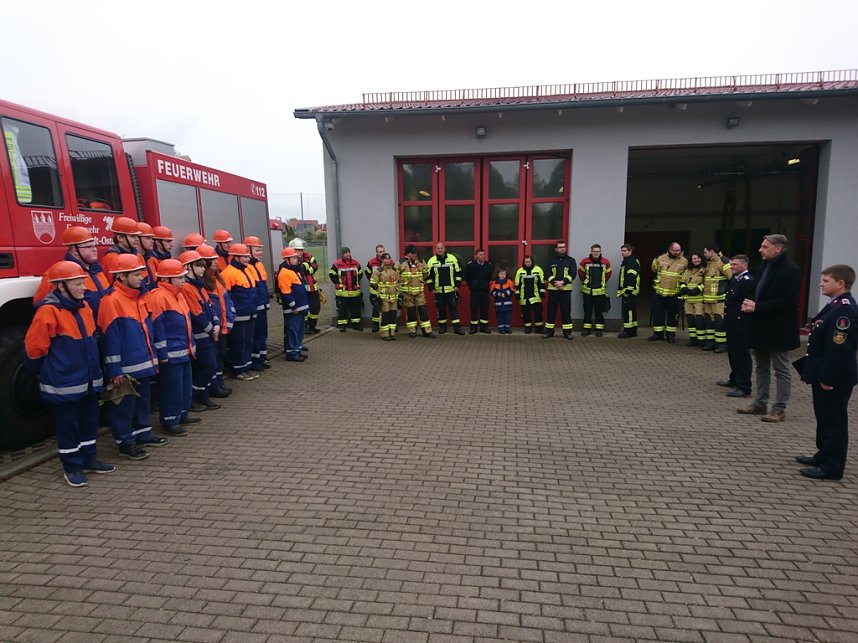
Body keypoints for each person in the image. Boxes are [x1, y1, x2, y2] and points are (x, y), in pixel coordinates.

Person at [24, 261, 111, 487]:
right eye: (78, 283)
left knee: (89, 420)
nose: (84, 287)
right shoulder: (48, 312)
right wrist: (52, 373)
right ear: (61, 286)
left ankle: (89, 458)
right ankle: (72, 466)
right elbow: (34, 351)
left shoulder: (83, 308)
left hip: (88, 380)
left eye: (83, 282)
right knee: (68, 425)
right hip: (65, 383)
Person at [98, 254, 166, 460]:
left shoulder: (140, 297)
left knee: (143, 403)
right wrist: (115, 370)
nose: (141, 278)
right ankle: (125, 443)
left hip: (144, 362)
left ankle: (143, 434)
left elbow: (149, 331)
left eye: (141, 274)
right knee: (124, 407)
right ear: (121, 276)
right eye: (136, 274)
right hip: (126, 368)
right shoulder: (111, 302)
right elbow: (111, 339)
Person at [796, 264, 858, 480]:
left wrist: (828, 378)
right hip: (823, 372)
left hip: (833, 377)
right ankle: (823, 454)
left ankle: (832, 467)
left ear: (840, 283)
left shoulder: (844, 310)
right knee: (824, 417)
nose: (821, 284)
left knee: (834, 421)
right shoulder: (834, 306)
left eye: (826, 280)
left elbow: (839, 349)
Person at [738, 234, 801, 423]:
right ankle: (760, 403)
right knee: (761, 367)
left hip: (779, 327)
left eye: (765, 247)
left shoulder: (790, 270)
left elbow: (788, 301)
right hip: (760, 324)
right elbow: (758, 290)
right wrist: (751, 302)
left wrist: (758, 307)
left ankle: (779, 408)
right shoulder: (766, 266)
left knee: (781, 368)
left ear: (778, 249)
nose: (760, 250)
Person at [146, 259, 200, 436]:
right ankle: (170, 421)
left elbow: (186, 323)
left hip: (183, 350)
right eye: (180, 277)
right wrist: (162, 354)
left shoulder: (178, 294)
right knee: (171, 389)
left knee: (184, 386)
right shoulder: (158, 297)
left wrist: (191, 345)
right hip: (170, 354)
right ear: (167, 279)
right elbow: (158, 328)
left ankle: (181, 415)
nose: (184, 280)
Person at [33, 226, 111, 319]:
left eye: (94, 246)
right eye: (89, 246)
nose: (95, 249)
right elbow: (42, 306)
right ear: (75, 250)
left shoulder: (97, 271)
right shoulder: (57, 274)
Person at [179, 250, 222, 412]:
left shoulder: (198, 285)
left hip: (208, 334)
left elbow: (209, 306)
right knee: (208, 366)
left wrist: (216, 323)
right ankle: (196, 398)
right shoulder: (188, 288)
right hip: (200, 336)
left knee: (209, 366)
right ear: (188, 267)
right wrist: (212, 329)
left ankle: (203, 397)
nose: (204, 269)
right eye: (199, 266)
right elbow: (196, 313)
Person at [196, 244, 233, 398]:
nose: (217, 262)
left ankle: (218, 384)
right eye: (212, 260)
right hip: (213, 330)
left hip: (221, 327)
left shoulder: (216, 279)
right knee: (213, 360)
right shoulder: (204, 283)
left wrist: (227, 322)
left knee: (219, 358)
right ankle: (214, 387)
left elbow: (225, 303)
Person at [718, 254, 755, 398]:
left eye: (735, 265)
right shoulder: (735, 279)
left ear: (744, 265)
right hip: (732, 322)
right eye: (731, 264)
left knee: (741, 355)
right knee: (733, 353)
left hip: (741, 323)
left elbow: (747, 303)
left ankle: (744, 386)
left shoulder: (748, 281)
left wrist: (740, 321)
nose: (732, 267)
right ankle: (734, 378)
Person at [221, 243, 259, 381]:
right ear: (235, 257)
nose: (247, 259)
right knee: (238, 343)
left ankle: (247, 367)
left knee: (248, 341)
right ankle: (239, 369)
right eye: (244, 257)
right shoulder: (227, 273)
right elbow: (227, 297)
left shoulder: (247, 270)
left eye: (248, 256)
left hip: (249, 313)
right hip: (239, 316)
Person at [648, 242, 687, 343]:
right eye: (675, 250)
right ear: (669, 249)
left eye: (678, 250)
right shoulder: (660, 258)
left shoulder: (684, 261)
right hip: (659, 291)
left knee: (673, 315)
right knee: (658, 313)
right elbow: (653, 269)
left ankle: (670, 335)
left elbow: (686, 276)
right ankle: (658, 334)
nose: (677, 252)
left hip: (675, 293)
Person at [277, 247, 310, 361]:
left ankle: (297, 350)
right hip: (293, 309)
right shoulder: (284, 273)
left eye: (296, 257)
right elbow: (286, 292)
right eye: (294, 258)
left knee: (300, 330)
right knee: (293, 331)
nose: (297, 259)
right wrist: (293, 306)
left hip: (300, 307)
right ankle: (292, 353)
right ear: (287, 259)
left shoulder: (295, 270)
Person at [244, 236, 271, 372]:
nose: (260, 253)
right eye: (257, 250)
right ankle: (255, 361)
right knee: (255, 334)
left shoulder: (259, 265)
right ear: (248, 250)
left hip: (262, 305)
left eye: (260, 250)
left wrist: (266, 302)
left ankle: (262, 357)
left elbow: (263, 286)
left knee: (262, 332)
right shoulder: (247, 267)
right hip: (255, 306)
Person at [397, 245, 436, 338]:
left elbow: (426, 274)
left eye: (415, 253)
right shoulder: (400, 263)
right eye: (412, 253)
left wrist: (419, 265)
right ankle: (412, 331)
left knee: (423, 312)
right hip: (407, 293)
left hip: (419, 293)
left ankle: (427, 331)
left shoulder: (421, 261)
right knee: (410, 313)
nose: (414, 255)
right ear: (407, 254)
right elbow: (394, 276)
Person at [426, 242, 464, 335]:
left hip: (451, 290)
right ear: (436, 250)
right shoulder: (431, 261)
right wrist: (431, 288)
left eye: (441, 248)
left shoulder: (452, 258)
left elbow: (458, 272)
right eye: (438, 248)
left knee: (453, 309)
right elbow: (428, 276)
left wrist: (457, 285)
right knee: (441, 309)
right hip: (438, 291)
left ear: (445, 249)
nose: (440, 250)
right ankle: (443, 327)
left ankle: (457, 328)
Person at [701, 244, 732, 352]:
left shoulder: (723, 262)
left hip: (719, 299)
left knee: (720, 323)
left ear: (712, 251)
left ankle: (721, 344)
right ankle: (711, 342)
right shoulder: (708, 263)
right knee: (709, 322)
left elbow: (731, 278)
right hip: (708, 299)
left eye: (705, 252)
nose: (704, 254)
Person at [543, 240, 576, 340]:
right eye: (560, 247)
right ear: (556, 249)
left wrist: (563, 282)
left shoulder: (571, 260)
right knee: (551, 311)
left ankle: (567, 332)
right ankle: (549, 331)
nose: (562, 249)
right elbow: (547, 274)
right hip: (553, 290)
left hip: (565, 290)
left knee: (566, 311)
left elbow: (573, 274)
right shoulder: (550, 260)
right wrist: (555, 283)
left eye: (564, 247)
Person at [578, 243, 612, 337]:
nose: (596, 253)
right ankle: (587, 329)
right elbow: (581, 274)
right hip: (587, 291)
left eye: (598, 251)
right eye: (594, 251)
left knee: (599, 311)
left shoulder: (606, 262)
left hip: (600, 291)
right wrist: (586, 282)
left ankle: (599, 329)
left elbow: (608, 275)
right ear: (591, 251)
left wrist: (602, 283)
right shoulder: (585, 261)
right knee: (587, 310)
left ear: (600, 252)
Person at [289, 238, 322, 333]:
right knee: (303, 310)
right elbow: (297, 269)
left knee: (315, 308)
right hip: (301, 289)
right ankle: (304, 327)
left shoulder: (308, 256)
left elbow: (315, 266)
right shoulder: (290, 258)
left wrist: (305, 269)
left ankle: (312, 326)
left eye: (301, 250)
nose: (300, 252)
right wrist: (306, 266)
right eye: (297, 249)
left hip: (312, 288)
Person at [329, 246, 364, 331]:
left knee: (356, 309)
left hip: (355, 292)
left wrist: (356, 282)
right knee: (342, 310)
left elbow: (360, 273)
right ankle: (342, 325)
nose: (348, 254)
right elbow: (332, 274)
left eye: (348, 252)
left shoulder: (356, 263)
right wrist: (337, 283)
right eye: (345, 253)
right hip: (342, 293)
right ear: (342, 254)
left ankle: (356, 324)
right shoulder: (337, 264)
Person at [370, 252, 400, 341]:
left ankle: (392, 333)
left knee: (393, 316)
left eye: (389, 258)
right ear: (382, 260)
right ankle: (384, 334)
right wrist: (379, 293)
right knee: (385, 316)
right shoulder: (378, 271)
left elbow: (398, 281)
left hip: (394, 298)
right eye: (385, 258)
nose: (387, 260)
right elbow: (373, 283)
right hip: (384, 298)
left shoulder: (394, 270)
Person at [464, 249, 494, 334]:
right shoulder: (471, 265)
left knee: (484, 309)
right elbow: (467, 277)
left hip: (485, 291)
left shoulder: (488, 265)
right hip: (475, 291)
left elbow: (489, 276)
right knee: (473, 309)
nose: (482, 256)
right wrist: (472, 286)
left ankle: (484, 327)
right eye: (480, 254)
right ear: (476, 256)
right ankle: (473, 328)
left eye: (483, 254)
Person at [679, 253, 706, 347]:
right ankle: (693, 339)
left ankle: (701, 340)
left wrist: (698, 289)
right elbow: (682, 281)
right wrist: (684, 288)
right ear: (691, 260)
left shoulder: (704, 270)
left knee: (699, 320)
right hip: (688, 299)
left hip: (699, 299)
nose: (696, 260)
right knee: (690, 321)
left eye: (698, 258)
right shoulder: (687, 270)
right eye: (694, 258)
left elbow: (706, 282)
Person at [515, 255, 545, 334]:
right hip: (524, 296)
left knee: (538, 313)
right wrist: (517, 294)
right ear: (523, 263)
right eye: (526, 262)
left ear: (532, 262)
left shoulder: (538, 270)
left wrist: (542, 292)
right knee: (526, 314)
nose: (528, 263)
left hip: (535, 295)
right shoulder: (520, 271)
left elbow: (542, 282)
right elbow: (517, 284)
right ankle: (527, 328)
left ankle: (539, 328)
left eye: (529, 262)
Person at [617, 243, 641, 338]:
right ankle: (633, 330)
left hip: (629, 292)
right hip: (630, 291)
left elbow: (631, 278)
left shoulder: (630, 262)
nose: (622, 253)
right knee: (631, 311)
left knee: (628, 312)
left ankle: (628, 332)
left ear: (630, 251)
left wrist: (628, 292)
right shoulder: (629, 261)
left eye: (624, 251)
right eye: (622, 251)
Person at [365, 244, 386, 332]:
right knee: (375, 309)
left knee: (386, 309)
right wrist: (374, 283)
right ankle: (375, 325)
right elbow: (367, 273)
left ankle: (387, 325)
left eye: (383, 251)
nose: (382, 253)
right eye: (380, 252)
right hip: (375, 291)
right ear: (377, 252)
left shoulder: (389, 262)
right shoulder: (371, 262)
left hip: (386, 291)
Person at [490, 264, 515, 334]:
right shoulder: (494, 282)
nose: (502, 275)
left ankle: (507, 328)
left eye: (504, 273)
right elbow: (491, 291)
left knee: (508, 317)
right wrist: (497, 294)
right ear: (498, 274)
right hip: (498, 304)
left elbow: (512, 290)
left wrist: (506, 293)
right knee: (500, 317)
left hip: (507, 304)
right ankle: (501, 329)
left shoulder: (509, 281)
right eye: (501, 273)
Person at [136, 222, 158, 293]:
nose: (152, 241)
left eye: (152, 238)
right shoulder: (134, 260)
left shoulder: (149, 259)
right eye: (148, 238)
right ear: (137, 239)